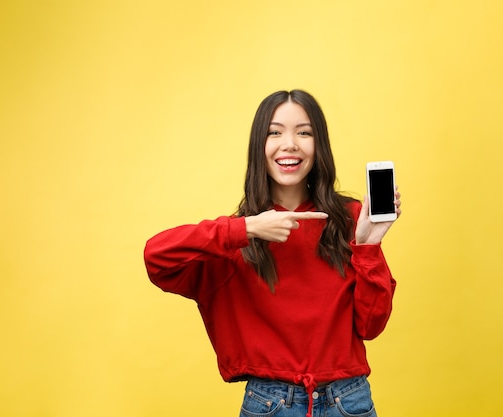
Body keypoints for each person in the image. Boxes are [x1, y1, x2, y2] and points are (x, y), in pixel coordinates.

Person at [143, 89, 402, 417]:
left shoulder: (350, 218)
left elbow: (372, 326)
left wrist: (367, 246)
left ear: (318, 145)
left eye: (304, 132)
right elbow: (156, 256)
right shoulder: (234, 241)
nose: (290, 143)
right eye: (274, 132)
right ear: (258, 147)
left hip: (348, 400)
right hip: (270, 403)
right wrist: (247, 229)